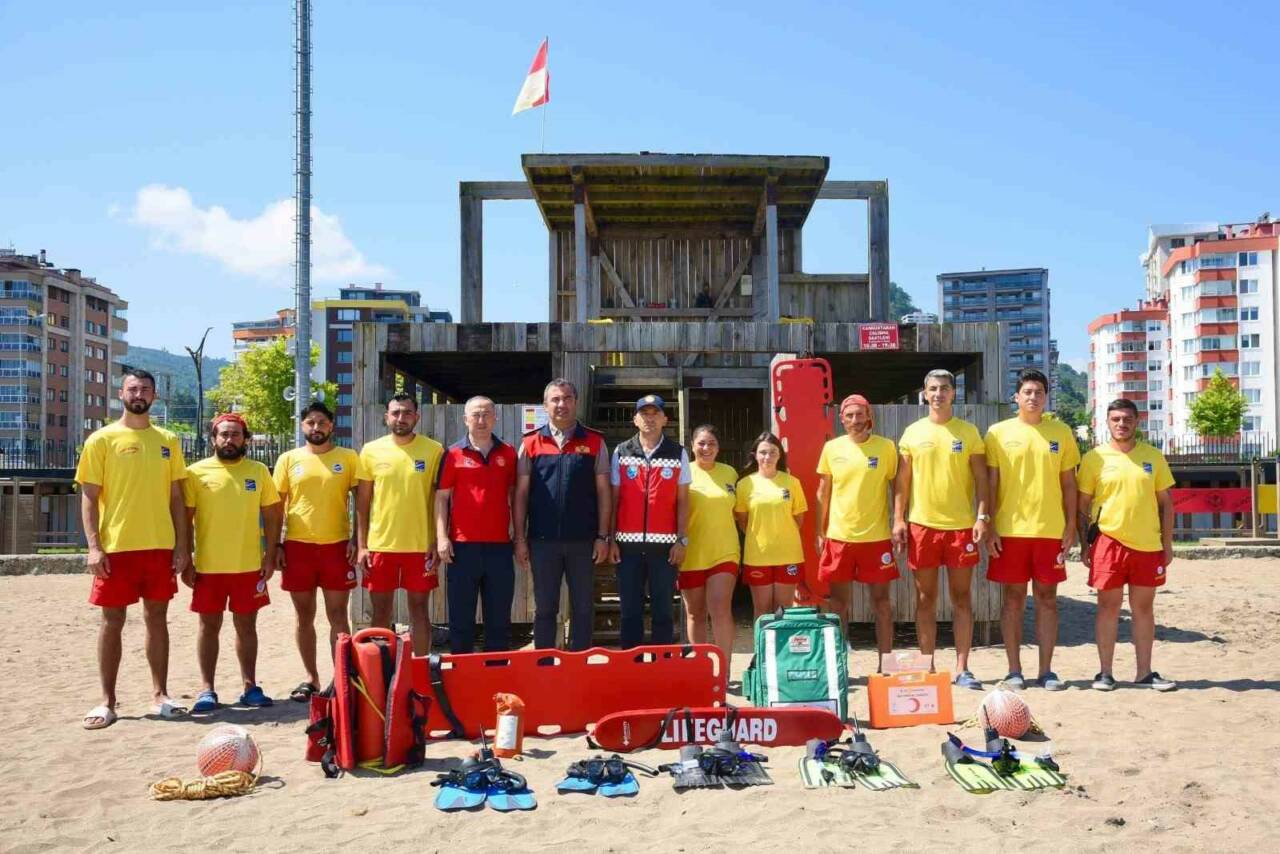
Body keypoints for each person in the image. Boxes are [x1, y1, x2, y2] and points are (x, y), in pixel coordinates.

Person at [75, 368, 191, 729]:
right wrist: (94, 547)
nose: (138, 393)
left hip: (159, 547)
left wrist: (183, 546)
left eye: (145, 389)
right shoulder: (102, 439)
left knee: (157, 620)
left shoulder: (168, 440)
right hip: (116, 548)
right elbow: (89, 498)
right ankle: (108, 701)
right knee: (112, 622)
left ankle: (160, 695)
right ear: (120, 394)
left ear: (154, 397)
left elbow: (177, 498)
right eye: (132, 388)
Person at [892, 369, 990, 689]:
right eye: (933, 388)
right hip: (923, 526)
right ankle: (927, 666)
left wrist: (982, 517)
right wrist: (898, 519)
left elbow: (981, 481)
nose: (938, 394)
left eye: (944, 388)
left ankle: (962, 668)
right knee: (925, 599)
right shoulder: (912, 433)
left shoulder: (969, 432)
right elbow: (902, 484)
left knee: (962, 598)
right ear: (924, 393)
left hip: (961, 527)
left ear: (953, 393)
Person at [985, 369, 1079, 691]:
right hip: (1010, 530)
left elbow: (1069, 483)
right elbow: (991, 483)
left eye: (1039, 392)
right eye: (1027, 391)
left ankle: (1047, 671)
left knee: (1047, 599)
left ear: (1046, 396)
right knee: (1012, 600)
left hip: (1049, 529)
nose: (1033, 397)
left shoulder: (1061, 432)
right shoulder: (997, 433)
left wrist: (1071, 525)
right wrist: (990, 524)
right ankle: (1014, 670)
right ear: (1016, 397)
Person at [183, 413, 282, 711]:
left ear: (246, 439)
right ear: (213, 438)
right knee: (208, 627)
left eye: (236, 434)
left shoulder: (259, 471)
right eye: (223, 434)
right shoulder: (195, 473)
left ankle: (250, 687)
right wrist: (186, 558)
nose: (229, 440)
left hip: (248, 565)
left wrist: (270, 554)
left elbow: (273, 514)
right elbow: (185, 520)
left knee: (247, 627)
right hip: (208, 567)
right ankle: (207, 690)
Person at [1077, 398, 1177, 692]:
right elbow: (1082, 506)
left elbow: (1166, 505)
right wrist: (1085, 544)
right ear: (1107, 423)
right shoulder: (1094, 458)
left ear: (1137, 422)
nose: (1122, 424)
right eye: (1116, 419)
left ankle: (1144, 673)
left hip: (1147, 545)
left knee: (1143, 609)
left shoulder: (1154, 457)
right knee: (1108, 607)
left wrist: (1167, 544)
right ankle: (1105, 673)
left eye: (1127, 419)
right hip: (1108, 542)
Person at [272, 401, 367, 702]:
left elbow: (362, 504)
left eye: (322, 422)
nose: (316, 427)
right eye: (310, 422)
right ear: (302, 427)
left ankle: (341, 677)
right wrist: (275, 544)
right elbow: (276, 508)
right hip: (298, 547)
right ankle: (310, 678)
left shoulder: (349, 458)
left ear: (331, 426)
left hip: (337, 547)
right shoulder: (288, 459)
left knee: (338, 615)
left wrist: (357, 538)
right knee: (304, 616)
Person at [513, 379, 612, 650]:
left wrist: (603, 536)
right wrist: (520, 538)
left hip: (584, 541)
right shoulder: (531, 443)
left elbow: (604, 492)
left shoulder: (594, 441)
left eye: (567, 398)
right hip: (542, 542)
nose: (561, 404)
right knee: (545, 608)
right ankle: (544, 663)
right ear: (545, 406)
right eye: (555, 399)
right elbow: (520, 495)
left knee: (582, 607)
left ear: (575, 402)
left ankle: (579, 665)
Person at [355, 393, 444, 656]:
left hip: (420, 547)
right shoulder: (371, 450)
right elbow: (362, 504)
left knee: (419, 611)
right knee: (381, 613)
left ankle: (419, 671)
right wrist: (362, 545)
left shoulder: (434, 450)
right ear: (386, 417)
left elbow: (441, 499)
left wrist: (436, 540)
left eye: (407, 413)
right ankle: (381, 671)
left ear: (417, 417)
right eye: (395, 413)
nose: (401, 418)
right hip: (381, 546)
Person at [815, 394, 899, 661]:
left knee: (882, 604)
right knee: (838, 604)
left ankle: (886, 663)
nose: (855, 420)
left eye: (859, 415)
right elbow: (823, 492)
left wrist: (899, 520)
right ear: (841, 419)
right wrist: (821, 531)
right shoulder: (832, 449)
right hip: (840, 536)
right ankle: (840, 659)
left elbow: (897, 488)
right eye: (849, 416)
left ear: (869, 416)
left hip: (876, 538)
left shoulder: (886, 447)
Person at [434, 396, 518, 653]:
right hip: (462, 547)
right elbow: (442, 497)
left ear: (495, 418)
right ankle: (462, 678)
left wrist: (519, 533)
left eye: (486, 415)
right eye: (476, 415)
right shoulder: (452, 454)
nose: (481, 420)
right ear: (465, 419)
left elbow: (515, 495)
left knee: (499, 620)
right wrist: (441, 537)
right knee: (461, 620)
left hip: (500, 548)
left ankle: (496, 674)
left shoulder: (508, 453)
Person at [608, 395, 691, 648]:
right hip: (627, 547)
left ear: (665, 419)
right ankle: (631, 670)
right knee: (630, 612)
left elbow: (684, 501)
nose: (650, 418)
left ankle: (660, 668)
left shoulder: (678, 453)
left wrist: (682, 539)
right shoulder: (621, 451)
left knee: (663, 612)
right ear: (635, 419)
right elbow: (613, 500)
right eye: (644, 414)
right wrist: (610, 539)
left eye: (655, 413)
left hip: (664, 549)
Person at [681, 424, 739, 659]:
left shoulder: (730, 473)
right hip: (690, 553)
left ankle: (723, 670)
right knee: (695, 613)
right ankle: (702, 669)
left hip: (724, 552)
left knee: (720, 609)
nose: (706, 448)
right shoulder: (683, 472)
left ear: (719, 447)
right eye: (701, 443)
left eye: (711, 443)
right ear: (692, 446)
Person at [735, 431, 807, 621]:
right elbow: (743, 521)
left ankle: (781, 652)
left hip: (788, 554)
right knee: (762, 611)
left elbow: (798, 519)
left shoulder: (792, 483)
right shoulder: (744, 485)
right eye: (763, 452)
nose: (767, 457)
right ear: (755, 455)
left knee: (784, 611)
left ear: (780, 455)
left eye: (773, 452)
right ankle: (762, 650)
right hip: (758, 556)